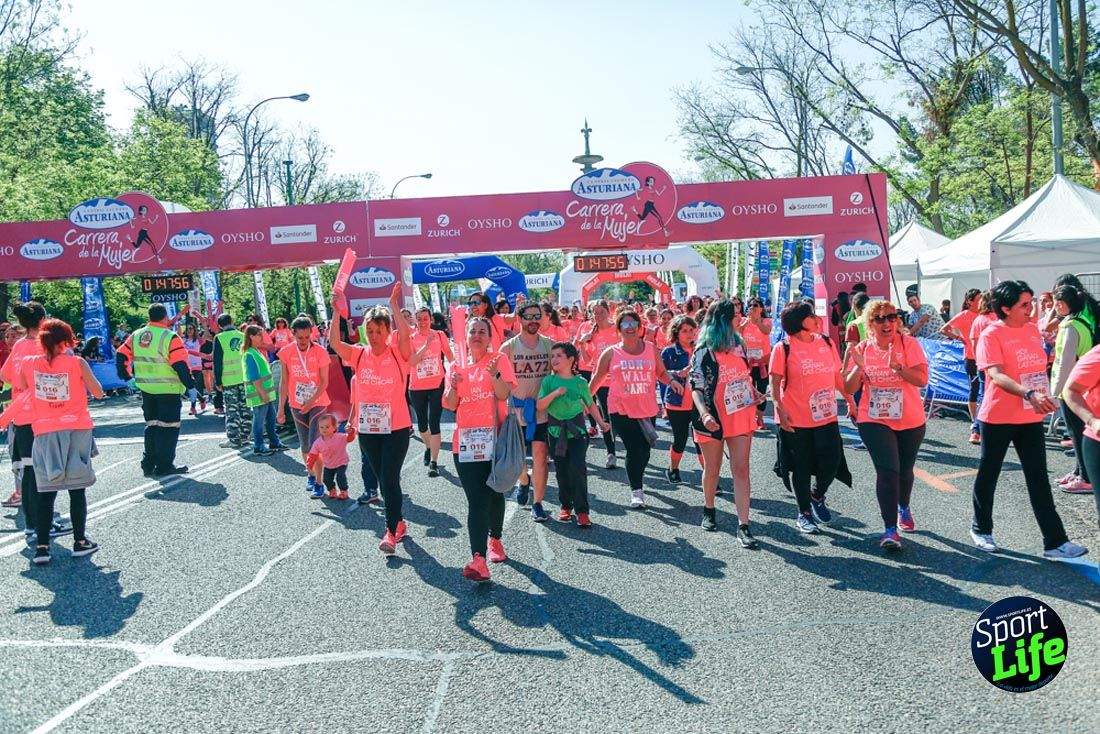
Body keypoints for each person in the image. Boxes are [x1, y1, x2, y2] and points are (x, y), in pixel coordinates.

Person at [969, 280, 1087, 559]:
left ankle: (1055, 542)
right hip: (998, 417)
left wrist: (1044, 394)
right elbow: (996, 375)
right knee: (989, 473)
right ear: (1006, 308)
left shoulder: (1032, 329)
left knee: (1038, 478)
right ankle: (981, 529)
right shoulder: (991, 334)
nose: (1031, 308)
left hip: (1030, 416)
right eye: (1024, 304)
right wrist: (1029, 393)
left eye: (1031, 302)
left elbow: (1037, 368)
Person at [14, 319, 105, 565]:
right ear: (67, 340)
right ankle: (80, 541)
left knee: (46, 490)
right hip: (77, 428)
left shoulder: (28, 362)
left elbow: (21, 386)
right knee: (77, 488)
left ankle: (42, 547)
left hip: (44, 430)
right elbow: (98, 392)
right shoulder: (77, 363)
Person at [331, 284, 413, 558]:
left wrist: (393, 305)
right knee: (383, 479)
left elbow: (405, 334)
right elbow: (335, 344)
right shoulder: (359, 354)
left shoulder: (398, 352)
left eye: (379, 331)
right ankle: (398, 522)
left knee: (389, 479)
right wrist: (336, 312)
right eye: (370, 330)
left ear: (387, 331)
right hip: (368, 428)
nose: (374, 336)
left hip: (397, 427)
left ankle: (390, 531)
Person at [843, 300, 928, 550]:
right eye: (879, 318)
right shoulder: (862, 349)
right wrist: (858, 369)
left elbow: (922, 379)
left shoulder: (909, 344)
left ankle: (904, 506)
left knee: (905, 470)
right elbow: (848, 387)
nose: (887, 322)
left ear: (897, 321)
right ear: (870, 324)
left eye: (891, 317)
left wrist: (899, 368)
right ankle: (890, 530)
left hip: (910, 419)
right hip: (874, 419)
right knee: (888, 471)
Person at [442, 317, 517, 582]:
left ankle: (495, 538)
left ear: (489, 337)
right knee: (476, 499)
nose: (477, 335)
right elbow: (450, 404)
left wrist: (494, 374)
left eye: (482, 331)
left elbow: (504, 394)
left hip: (495, 441)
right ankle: (478, 559)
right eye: (472, 331)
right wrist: (453, 385)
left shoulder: (499, 360)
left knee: (494, 493)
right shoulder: (456, 365)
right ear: (465, 337)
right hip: (464, 443)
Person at [769, 300, 846, 534]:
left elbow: (837, 375)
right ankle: (804, 513)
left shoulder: (826, 342)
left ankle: (817, 494)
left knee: (832, 461)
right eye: (811, 315)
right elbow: (774, 383)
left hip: (827, 415)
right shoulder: (783, 348)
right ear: (800, 322)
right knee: (801, 467)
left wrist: (851, 401)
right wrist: (779, 409)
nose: (816, 318)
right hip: (796, 417)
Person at [690, 299, 762, 546]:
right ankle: (709, 508)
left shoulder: (740, 345)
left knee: (741, 469)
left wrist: (754, 394)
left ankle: (744, 524)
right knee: (712, 469)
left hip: (740, 414)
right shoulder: (703, 350)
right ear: (723, 321)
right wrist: (704, 414)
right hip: (712, 417)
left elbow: (744, 377)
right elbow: (696, 386)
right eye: (735, 315)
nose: (740, 318)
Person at [590, 310, 677, 509]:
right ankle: (636, 491)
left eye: (633, 324)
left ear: (639, 327)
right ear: (619, 329)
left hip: (646, 408)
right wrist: (584, 402)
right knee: (633, 448)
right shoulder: (611, 353)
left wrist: (671, 381)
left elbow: (661, 372)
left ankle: (637, 477)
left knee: (644, 451)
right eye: (625, 324)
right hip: (620, 409)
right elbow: (597, 380)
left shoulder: (651, 349)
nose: (629, 328)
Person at [1, 303, 71, 542]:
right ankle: (45, 523)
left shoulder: (19, 345)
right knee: (46, 472)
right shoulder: (46, 345)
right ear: (42, 320)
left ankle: (32, 525)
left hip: (21, 416)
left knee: (30, 472)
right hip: (44, 416)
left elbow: (5, 375)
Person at [116, 304, 195, 477]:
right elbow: (180, 365)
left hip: (146, 389)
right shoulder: (170, 337)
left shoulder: (136, 335)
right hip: (168, 389)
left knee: (151, 426)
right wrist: (190, 385)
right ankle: (164, 465)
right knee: (168, 428)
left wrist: (127, 377)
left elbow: (121, 355)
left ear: (149, 316)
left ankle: (148, 464)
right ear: (165, 317)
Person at [538, 342, 609, 527]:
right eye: (552, 356)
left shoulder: (580, 382)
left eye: (559, 356)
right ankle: (565, 505)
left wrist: (601, 423)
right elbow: (540, 405)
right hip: (555, 432)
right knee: (561, 471)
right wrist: (555, 393)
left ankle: (582, 511)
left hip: (577, 433)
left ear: (570, 360)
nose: (554, 359)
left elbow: (590, 404)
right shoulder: (548, 381)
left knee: (578, 468)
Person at [501, 301, 554, 519]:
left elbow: (561, 373)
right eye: (529, 316)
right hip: (516, 412)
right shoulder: (509, 348)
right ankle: (524, 480)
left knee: (540, 457)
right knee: (518, 459)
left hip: (542, 412)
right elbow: (498, 382)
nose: (533, 321)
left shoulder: (549, 346)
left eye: (537, 316)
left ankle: (538, 503)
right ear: (520, 319)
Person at [276, 315, 333, 496]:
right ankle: (311, 474)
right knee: (305, 445)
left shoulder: (320, 352)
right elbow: (284, 382)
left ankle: (319, 483)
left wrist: (311, 402)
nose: (303, 341)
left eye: (307, 337)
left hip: (318, 402)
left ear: (311, 334)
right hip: (297, 403)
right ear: (292, 334)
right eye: (300, 337)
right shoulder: (286, 352)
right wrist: (280, 409)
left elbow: (324, 382)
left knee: (315, 443)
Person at [1049, 285, 1095, 493]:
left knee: (1076, 433)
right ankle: (1079, 471)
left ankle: (1085, 476)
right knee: (1077, 432)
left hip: (1071, 387)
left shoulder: (1070, 326)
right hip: (1081, 385)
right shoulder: (1081, 322)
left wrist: (1056, 391)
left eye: (1059, 303)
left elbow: (1065, 361)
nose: (1056, 307)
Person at [407, 307, 453, 478]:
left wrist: (457, 369)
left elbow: (449, 354)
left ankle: (434, 462)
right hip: (417, 387)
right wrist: (426, 345)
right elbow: (412, 361)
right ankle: (428, 446)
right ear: (415, 320)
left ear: (430, 319)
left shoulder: (440, 335)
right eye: (419, 319)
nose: (422, 322)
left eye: (425, 318)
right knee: (422, 424)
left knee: (434, 422)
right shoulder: (411, 338)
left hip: (436, 385)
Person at [576, 300, 620, 467]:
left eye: (602, 311)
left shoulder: (617, 329)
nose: (599, 315)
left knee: (620, 416)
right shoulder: (590, 333)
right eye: (595, 312)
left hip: (620, 379)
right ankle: (611, 453)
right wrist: (582, 344)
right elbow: (588, 361)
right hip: (602, 381)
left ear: (609, 312)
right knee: (606, 416)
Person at [941, 289, 983, 444]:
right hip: (971, 358)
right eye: (978, 299)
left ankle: (983, 423)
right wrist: (959, 338)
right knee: (974, 389)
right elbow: (943, 329)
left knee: (987, 391)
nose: (981, 301)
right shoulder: (964, 315)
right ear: (970, 301)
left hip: (986, 358)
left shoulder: (985, 315)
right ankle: (974, 421)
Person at [661, 315, 698, 483]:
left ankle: (711, 478)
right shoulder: (668, 352)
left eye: (691, 330)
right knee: (680, 439)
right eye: (685, 331)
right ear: (676, 333)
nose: (689, 334)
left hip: (699, 403)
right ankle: (673, 469)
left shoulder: (701, 349)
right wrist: (677, 373)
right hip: (677, 403)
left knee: (701, 440)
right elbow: (660, 374)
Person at [242, 325, 287, 456]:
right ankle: (258, 446)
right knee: (259, 422)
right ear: (251, 336)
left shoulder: (256, 351)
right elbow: (254, 377)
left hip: (265, 394)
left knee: (271, 420)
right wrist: (263, 394)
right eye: (259, 335)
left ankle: (274, 442)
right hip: (259, 395)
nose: (262, 337)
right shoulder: (249, 354)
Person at [213, 314, 251, 449]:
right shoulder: (243, 335)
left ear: (219, 325)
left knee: (232, 410)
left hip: (228, 379)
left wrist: (217, 381)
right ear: (232, 321)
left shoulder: (219, 338)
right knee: (245, 408)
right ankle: (246, 436)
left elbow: (217, 361)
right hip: (244, 378)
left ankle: (234, 439)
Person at [967, 291, 998, 444]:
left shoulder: (978, 320)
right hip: (995, 365)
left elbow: (974, 344)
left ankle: (978, 430)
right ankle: (977, 429)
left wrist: (979, 362)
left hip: (983, 364)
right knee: (988, 397)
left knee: (986, 396)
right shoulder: (996, 319)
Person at [740, 297, 772, 430]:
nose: (753, 307)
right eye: (751, 305)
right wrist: (745, 323)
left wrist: (757, 320)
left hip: (763, 361)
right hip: (747, 362)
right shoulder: (743, 320)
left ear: (761, 308)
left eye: (756, 305)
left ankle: (760, 418)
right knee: (749, 390)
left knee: (762, 390)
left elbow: (766, 331)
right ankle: (751, 417)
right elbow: (737, 333)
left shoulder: (766, 321)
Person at [309, 413, 352, 500]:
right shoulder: (318, 442)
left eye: (327, 427)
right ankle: (332, 490)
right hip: (328, 464)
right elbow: (313, 454)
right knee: (326, 479)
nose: (324, 429)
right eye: (321, 427)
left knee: (340, 477)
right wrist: (310, 463)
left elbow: (350, 438)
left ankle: (343, 491)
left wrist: (351, 432)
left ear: (334, 427)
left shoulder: (340, 437)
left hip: (341, 462)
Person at [182, 322, 206, 415]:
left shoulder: (198, 340)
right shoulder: (183, 340)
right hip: (187, 365)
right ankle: (202, 399)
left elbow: (207, 335)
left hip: (196, 365)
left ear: (195, 330)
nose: (189, 330)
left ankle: (193, 407)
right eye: (188, 328)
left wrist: (203, 321)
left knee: (193, 386)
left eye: (191, 328)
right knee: (190, 386)